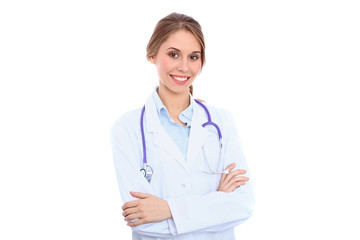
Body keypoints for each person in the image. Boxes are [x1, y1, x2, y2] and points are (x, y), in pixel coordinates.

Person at [111, 12, 254, 240]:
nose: (184, 67)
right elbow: (140, 220)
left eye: (194, 57)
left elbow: (243, 205)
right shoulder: (126, 128)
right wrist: (216, 204)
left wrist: (168, 210)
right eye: (173, 54)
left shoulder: (222, 122)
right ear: (152, 55)